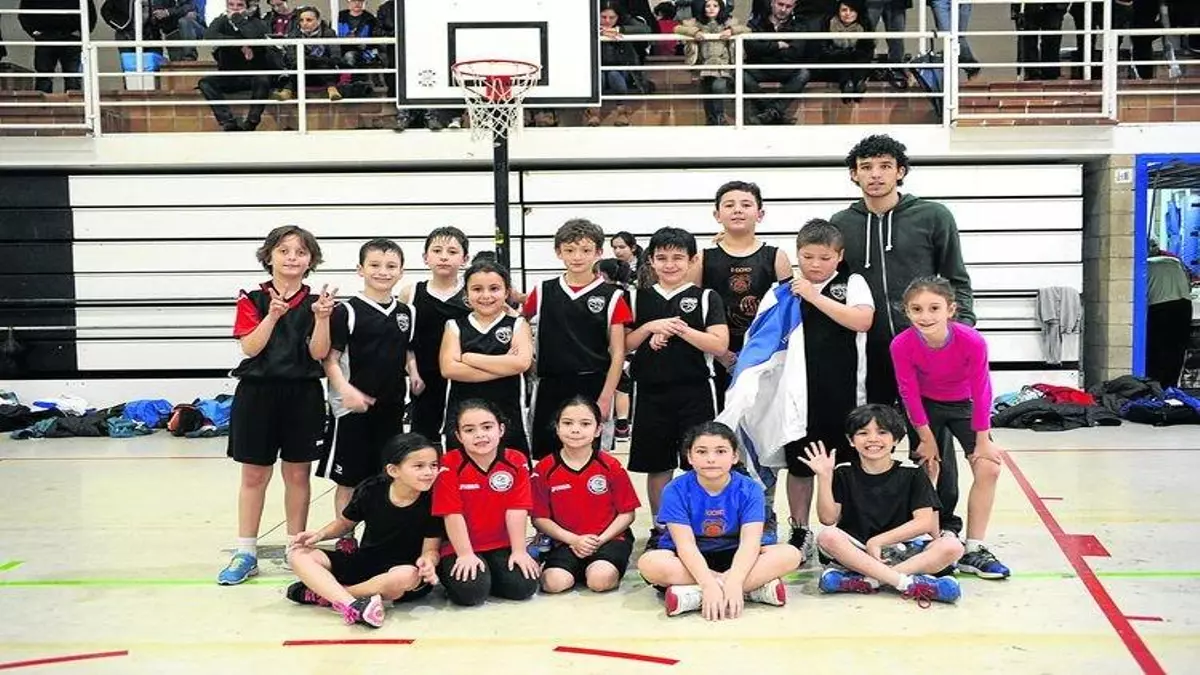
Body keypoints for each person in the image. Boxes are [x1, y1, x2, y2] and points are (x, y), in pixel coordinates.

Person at [829, 134, 975, 536]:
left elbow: (956, 279)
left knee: (931, 441)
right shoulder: (841, 224)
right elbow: (833, 285)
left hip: (924, 352)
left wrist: (958, 334)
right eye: (866, 167)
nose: (875, 175)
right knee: (870, 440)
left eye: (885, 166)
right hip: (868, 353)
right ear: (854, 175)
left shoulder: (933, 216)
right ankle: (874, 524)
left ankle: (942, 522)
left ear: (901, 171)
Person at [218, 225, 336, 585]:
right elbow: (250, 347)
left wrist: (322, 318)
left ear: (311, 260)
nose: (292, 258)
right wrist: (272, 316)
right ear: (269, 256)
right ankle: (246, 552)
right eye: (284, 251)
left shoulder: (318, 303)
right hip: (257, 394)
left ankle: (295, 548)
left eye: (300, 252)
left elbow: (319, 353)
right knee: (254, 475)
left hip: (303, 394)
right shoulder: (251, 298)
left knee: (298, 474)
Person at [891, 276, 1008, 579]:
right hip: (925, 407)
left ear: (951, 309)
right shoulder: (902, 344)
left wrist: (982, 439)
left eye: (934, 308)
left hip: (963, 405)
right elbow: (908, 392)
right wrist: (925, 437)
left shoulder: (971, 340)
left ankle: (975, 548)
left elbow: (982, 390)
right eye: (917, 309)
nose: (925, 316)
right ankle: (931, 540)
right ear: (907, 311)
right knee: (929, 467)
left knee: (989, 468)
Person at [798, 404, 964, 605]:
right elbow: (828, 518)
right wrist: (824, 477)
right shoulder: (843, 472)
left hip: (905, 549)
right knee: (828, 536)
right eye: (863, 433)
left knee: (952, 546)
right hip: (859, 551)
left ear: (896, 439)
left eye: (882, 432)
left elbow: (924, 523)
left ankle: (869, 580)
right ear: (851, 440)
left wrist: (877, 542)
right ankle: (905, 583)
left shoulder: (912, 472)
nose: (873, 439)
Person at [626, 227, 729, 547]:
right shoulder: (636, 297)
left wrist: (677, 328)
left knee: (702, 462)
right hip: (650, 391)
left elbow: (719, 344)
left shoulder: (706, 297)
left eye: (677, 257)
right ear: (651, 261)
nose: (669, 264)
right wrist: (650, 327)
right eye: (662, 258)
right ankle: (662, 527)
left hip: (696, 390)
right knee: (658, 465)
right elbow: (624, 344)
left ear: (692, 260)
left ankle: (702, 524)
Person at [317, 239, 421, 555]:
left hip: (391, 408)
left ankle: (379, 535)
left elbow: (407, 349)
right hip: (352, 411)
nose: (383, 272)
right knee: (349, 480)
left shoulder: (407, 312)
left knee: (386, 476)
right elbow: (330, 359)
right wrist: (345, 390)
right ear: (360, 269)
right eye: (375, 265)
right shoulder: (346, 311)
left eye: (391, 266)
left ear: (401, 271)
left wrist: (414, 372)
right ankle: (345, 537)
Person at [777, 219, 873, 560]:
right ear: (797, 255)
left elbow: (862, 320)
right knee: (800, 466)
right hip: (799, 397)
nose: (815, 264)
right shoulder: (785, 289)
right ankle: (800, 530)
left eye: (824, 257)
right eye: (808, 257)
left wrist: (814, 297)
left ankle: (843, 533)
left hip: (846, 397)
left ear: (839, 256)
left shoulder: (853, 282)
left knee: (845, 466)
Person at [637, 422, 802, 619]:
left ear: (735, 456)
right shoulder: (675, 490)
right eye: (701, 452)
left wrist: (735, 580)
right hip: (689, 558)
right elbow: (686, 545)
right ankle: (748, 590)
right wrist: (708, 583)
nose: (711, 459)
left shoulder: (750, 489)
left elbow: (750, 543)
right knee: (649, 564)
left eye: (721, 451)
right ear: (689, 457)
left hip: (736, 556)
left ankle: (695, 595)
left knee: (791, 554)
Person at [286, 433, 443, 627]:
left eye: (433, 465)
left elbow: (431, 549)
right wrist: (321, 534)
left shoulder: (435, 499)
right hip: (365, 562)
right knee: (297, 554)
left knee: (406, 575)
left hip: (404, 574)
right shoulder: (372, 489)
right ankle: (352, 603)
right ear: (393, 470)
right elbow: (345, 523)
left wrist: (428, 562)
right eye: (419, 466)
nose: (429, 472)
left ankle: (330, 596)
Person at [523, 219, 633, 460]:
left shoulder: (613, 296)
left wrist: (606, 397)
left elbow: (618, 352)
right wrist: (527, 361)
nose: (577, 257)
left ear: (598, 252)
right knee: (545, 459)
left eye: (585, 250)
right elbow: (519, 325)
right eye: (570, 250)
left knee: (590, 459)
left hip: (593, 383)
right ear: (558, 252)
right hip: (549, 384)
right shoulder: (543, 290)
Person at [692, 180, 793, 410]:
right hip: (714, 357)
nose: (737, 210)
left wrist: (763, 354)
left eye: (746, 204)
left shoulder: (776, 257)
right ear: (717, 215)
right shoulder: (702, 259)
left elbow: (787, 315)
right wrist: (721, 354)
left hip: (765, 357)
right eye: (729, 205)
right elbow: (693, 311)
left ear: (760, 214)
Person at [432, 399, 540, 606]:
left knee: (523, 586)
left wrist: (519, 551)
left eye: (487, 427)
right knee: (471, 593)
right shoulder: (449, 463)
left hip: (501, 545)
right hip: (459, 547)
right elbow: (452, 513)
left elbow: (517, 509)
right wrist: (465, 554)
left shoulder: (515, 460)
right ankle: (475, 577)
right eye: (469, 430)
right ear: (459, 436)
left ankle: (490, 574)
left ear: (501, 430)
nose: (480, 435)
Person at [531, 396, 641, 594]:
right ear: (557, 427)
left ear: (598, 430)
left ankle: (598, 567)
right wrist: (574, 540)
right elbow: (539, 518)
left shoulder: (610, 466)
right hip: (565, 541)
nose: (575, 430)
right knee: (553, 583)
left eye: (585, 424)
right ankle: (572, 568)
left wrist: (599, 540)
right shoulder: (544, 469)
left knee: (599, 580)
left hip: (609, 539)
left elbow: (627, 513)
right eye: (567, 423)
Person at [440, 260, 533, 456]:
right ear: (466, 293)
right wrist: (504, 365)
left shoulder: (518, 324)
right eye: (477, 289)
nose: (486, 295)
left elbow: (521, 363)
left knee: (510, 469)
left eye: (494, 288)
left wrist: (469, 358)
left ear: (507, 292)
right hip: (463, 415)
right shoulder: (454, 326)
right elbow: (449, 369)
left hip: (508, 414)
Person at [399, 227, 471, 449]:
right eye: (437, 251)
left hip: (465, 379)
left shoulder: (474, 292)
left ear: (465, 259)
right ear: (425, 257)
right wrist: (412, 372)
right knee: (424, 443)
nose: (444, 257)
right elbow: (403, 340)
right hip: (425, 381)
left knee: (464, 439)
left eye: (452, 251)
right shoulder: (410, 293)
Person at [196, 0, 274, 131]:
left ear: (247, 8)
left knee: (263, 79)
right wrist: (240, 44)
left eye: (239, 5)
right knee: (205, 83)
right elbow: (209, 36)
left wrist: (238, 19)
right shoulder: (220, 21)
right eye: (231, 5)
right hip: (230, 75)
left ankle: (252, 122)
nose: (235, 8)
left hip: (253, 74)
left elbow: (254, 36)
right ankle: (228, 121)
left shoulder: (257, 23)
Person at [675, 0, 748, 126]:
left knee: (718, 87)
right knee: (707, 91)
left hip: (723, 63)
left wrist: (731, 31)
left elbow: (747, 29)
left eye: (715, 6)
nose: (711, 8)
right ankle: (711, 120)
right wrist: (695, 32)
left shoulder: (729, 22)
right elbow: (677, 28)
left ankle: (720, 118)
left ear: (721, 8)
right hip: (704, 64)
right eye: (708, 6)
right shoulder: (696, 23)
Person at [743, 0, 810, 125]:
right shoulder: (756, 23)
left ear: (794, 7)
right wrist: (778, 45)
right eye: (780, 4)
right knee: (740, 74)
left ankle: (771, 112)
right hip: (761, 68)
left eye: (788, 6)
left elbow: (795, 53)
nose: (783, 9)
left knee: (803, 73)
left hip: (785, 69)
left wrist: (766, 49)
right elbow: (752, 48)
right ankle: (774, 112)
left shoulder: (799, 26)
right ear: (772, 3)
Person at [19, 0, 97, 94]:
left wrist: (82, 32)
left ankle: (73, 102)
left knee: (73, 77)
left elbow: (90, 13)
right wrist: (33, 31)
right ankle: (44, 103)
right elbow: (24, 13)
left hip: (69, 37)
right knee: (44, 76)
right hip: (46, 37)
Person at [1146, 239, 1194, 389]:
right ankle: (1171, 387)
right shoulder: (1174, 261)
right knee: (1177, 349)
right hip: (1184, 306)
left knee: (1157, 350)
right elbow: (1189, 285)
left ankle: (1155, 387)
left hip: (1159, 307)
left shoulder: (1145, 265)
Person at [596, 257, 635, 440]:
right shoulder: (627, 292)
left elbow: (625, 325)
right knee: (622, 388)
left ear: (602, 274)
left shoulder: (609, 295)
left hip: (613, 349)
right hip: (626, 349)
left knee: (617, 385)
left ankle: (619, 424)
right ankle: (622, 424)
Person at [275, 5, 342, 102]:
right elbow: (291, 58)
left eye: (309, 20)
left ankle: (332, 89)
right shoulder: (294, 35)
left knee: (319, 64)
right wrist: (309, 60)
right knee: (301, 64)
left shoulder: (329, 33)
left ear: (318, 21)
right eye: (301, 20)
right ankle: (286, 91)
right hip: (302, 73)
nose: (304, 23)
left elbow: (335, 57)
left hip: (323, 73)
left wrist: (314, 60)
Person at [1012, 3, 1067, 81]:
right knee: (1028, 39)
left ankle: (1050, 73)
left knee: (1052, 39)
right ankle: (1032, 73)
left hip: (1053, 7)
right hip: (1027, 6)